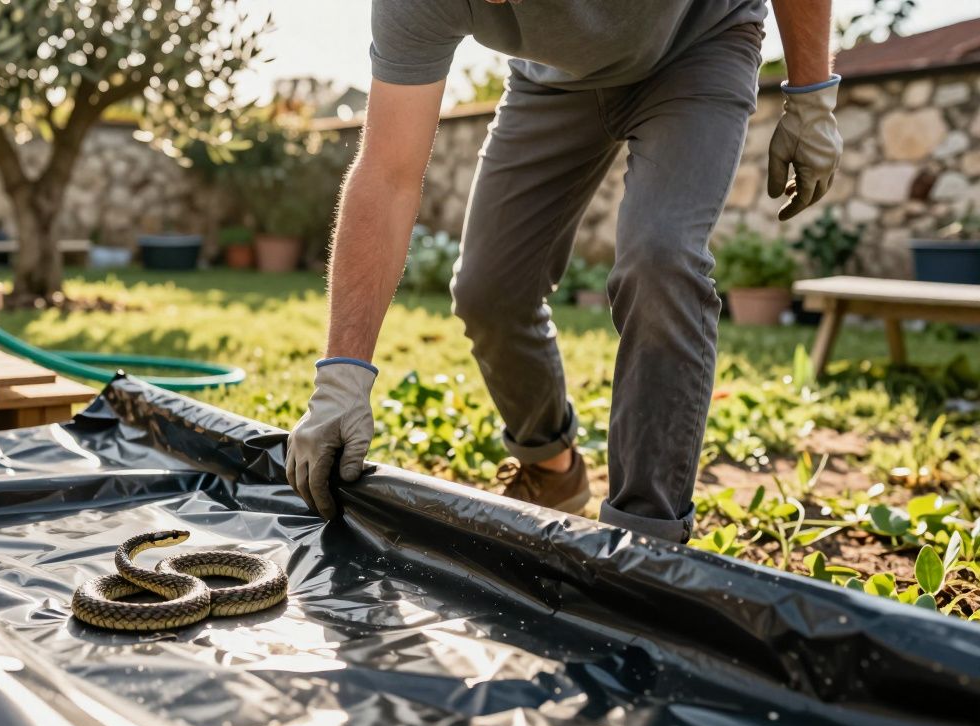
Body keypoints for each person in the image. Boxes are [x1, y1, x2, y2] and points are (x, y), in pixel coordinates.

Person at [286, 0, 842, 543]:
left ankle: (644, 542)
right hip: (551, 83)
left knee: (661, 260)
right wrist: (342, 378)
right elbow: (387, 173)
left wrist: (812, 96)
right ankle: (553, 470)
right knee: (489, 290)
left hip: (696, 46)